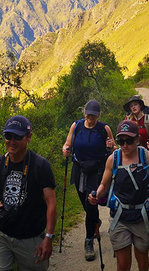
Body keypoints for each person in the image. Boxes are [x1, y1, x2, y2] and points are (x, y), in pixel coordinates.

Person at [0, 115, 57, 271]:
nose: (12, 141)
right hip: (2, 234)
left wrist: (48, 238)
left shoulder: (40, 166)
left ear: (28, 137)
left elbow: (51, 203)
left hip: (32, 237)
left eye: (17, 136)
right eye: (8, 136)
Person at [88, 120, 149, 271]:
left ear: (137, 140)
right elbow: (104, 184)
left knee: (142, 260)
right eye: (121, 141)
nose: (125, 145)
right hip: (120, 217)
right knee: (122, 265)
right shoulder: (113, 159)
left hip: (142, 216)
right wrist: (96, 195)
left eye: (129, 141)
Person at [62, 100, 115, 261]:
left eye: (92, 114)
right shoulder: (76, 126)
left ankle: (88, 241)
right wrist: (65, 149)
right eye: (87, 113)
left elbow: (113, 149)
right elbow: (68, 143)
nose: (89, 116)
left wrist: (111, 146)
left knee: (91, 203)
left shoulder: (104, 128)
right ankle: (95, 221)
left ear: (98, 115)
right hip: (79, 169)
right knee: (84, 202)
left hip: (97, 170)